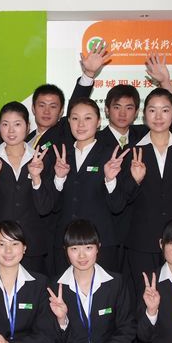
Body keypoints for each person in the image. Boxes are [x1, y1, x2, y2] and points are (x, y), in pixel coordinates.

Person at [119, 88, 172, 302]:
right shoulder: (131, 151)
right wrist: (135, 180)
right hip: (142, 241)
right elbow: (121, 201)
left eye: (165, 110)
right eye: (152, 110)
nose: (158, 116)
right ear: (144, 114)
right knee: (143, 298)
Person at [52, 97, 131, 274]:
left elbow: (118, 206)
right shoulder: (61, 156)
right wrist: (59, 178)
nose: (80, 124)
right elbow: (51, 207)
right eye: (75, 118)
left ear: (99, 122)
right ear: (68, 121)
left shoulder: (112, 156)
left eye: (87, 118)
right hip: (66, 243)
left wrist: (110, 179)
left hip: (101, 243)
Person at [0, 101, 56, 274]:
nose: (11, 130)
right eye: (5, 124)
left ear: (28, 127)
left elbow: (45, 208)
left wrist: (36, 177)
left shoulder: (41, 159)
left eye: (17, 124)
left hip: (31, 246)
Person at [96, 53, 172, 149]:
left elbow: (170, 122)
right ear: (107, 110)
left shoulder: (144, 134)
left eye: (129, 108)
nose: (122, 113)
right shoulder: (95, 139)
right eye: (117, 107)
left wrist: (165, 82)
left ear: (136, 112)